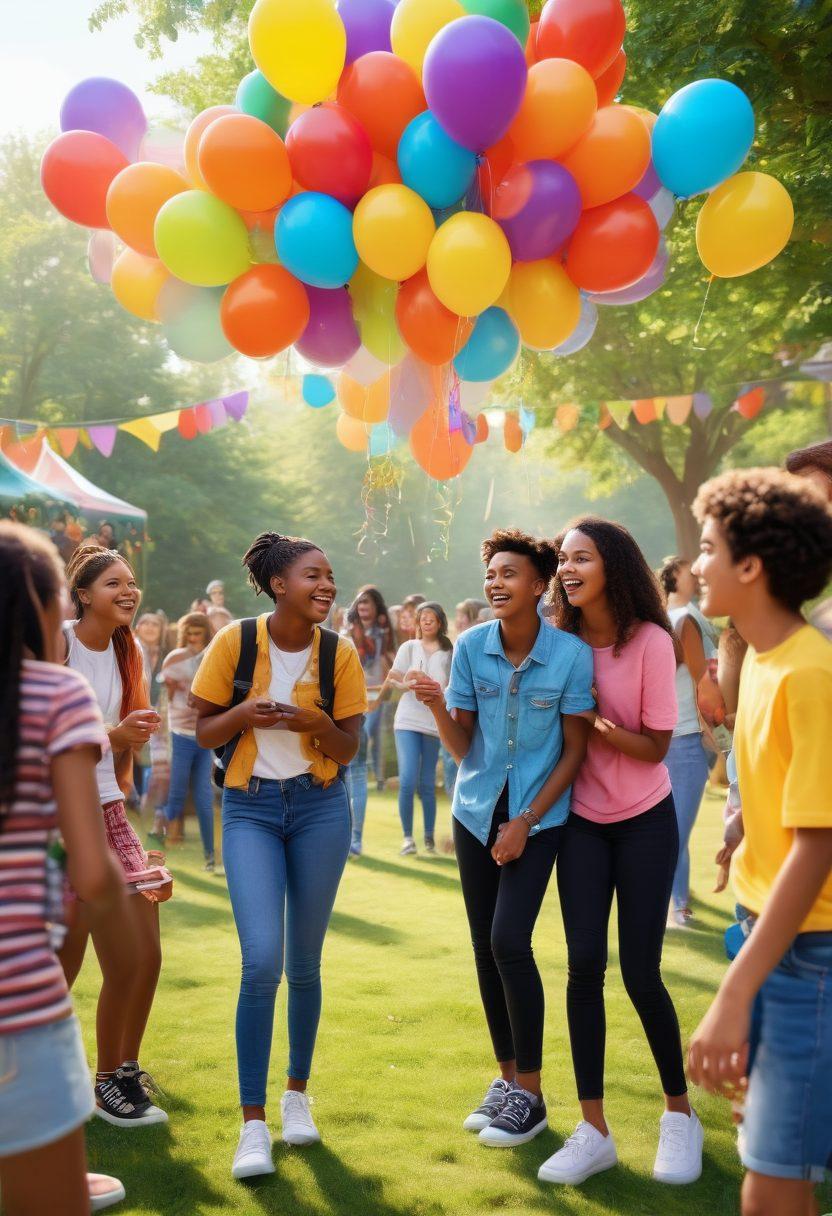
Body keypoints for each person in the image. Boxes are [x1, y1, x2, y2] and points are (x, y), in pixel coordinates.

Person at [191, 532, 367, 1180]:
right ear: (278, 585)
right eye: (313, 575)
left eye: (329, 575)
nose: (326, 585)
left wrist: (317, 726)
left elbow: (349, 749)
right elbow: (202, 731)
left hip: (321, 808)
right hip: (251, 810)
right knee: (262, 961)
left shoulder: (338, 652)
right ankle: (252, 1124)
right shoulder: (234, 641)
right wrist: (244, 712)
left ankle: (296, 1094)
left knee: (305, 963)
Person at [412, 529, 594, 1152]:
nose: (496, 583)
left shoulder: (570, 655)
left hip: (539, 817)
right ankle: (508, 1079)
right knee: (485, 948)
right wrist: (436, 706)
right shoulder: (470, 646)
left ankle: (533, 1097)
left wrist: (526, 821)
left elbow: (574, 752)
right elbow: (464, 748)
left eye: (509, 574)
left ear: (539, 584)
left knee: (509, 940)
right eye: (491, 574)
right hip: (474, 812)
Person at [539, 517, 702, 1188]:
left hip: (643, 822)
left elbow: (656, 747)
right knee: (583, 969)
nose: (567, 568)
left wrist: (597, 724)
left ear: (613, 565)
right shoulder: (558, 640)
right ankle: (594, 1130)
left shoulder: (653, 642)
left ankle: (679, 1114)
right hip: (580, 821)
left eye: (581, 557)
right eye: (563, 559)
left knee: (640, 972)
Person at [687, 468, 832, 1216]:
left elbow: (818, 846)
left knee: (771, 1190)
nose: (695, 565)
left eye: (708, 548)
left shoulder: (810, 672)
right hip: (771, 942)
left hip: (808, 960)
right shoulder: (767, 663)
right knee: (777, 1180)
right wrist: (743, 828)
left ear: (750, 566)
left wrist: (736, 992)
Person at [0, 522, 131, 1214]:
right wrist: (117, 901)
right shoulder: (57, 694)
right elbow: (92, 871)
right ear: (41, 606)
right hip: (19, 1001)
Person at [60, 545, 168, 1128]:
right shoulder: (60, 644)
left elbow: (118, 742)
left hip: (107, 806)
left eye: (131, 582)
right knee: (63, 961)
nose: (128, 591)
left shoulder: (130, 650)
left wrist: (131, 736)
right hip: (57, 813)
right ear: (83, 594)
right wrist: (113, 733)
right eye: (112, 584)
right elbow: (35, 730)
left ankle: (116, 1076)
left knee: (143, 954)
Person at [658, 557, 723, 928]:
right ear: (671, 578)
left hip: (678, 738)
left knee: (673, 832)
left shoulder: (673, 619)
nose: (697, 575)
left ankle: (678, 904)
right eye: (687, 571)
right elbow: (705, 683)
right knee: (674, 833)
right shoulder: (682, 619)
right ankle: (675, 907)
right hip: (679, 741)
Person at [385, 602, 453, 856]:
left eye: (431, 618)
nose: (427, 621)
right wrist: (408, 684)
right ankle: (407, 839)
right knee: (408, 779)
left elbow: (454, 686)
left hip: (434, 723)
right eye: (423, 617)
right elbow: (393, 678)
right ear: (418, 622)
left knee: (427, 783)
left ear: (440, 622)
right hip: (407, 721)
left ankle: (428, 839)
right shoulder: (409, 647)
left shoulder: (449, 652)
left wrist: (436, 691)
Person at [161, 613, 218, 872]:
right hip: (180, 734)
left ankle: (210, 856)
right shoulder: (175, 658)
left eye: (198, 633)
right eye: (190, 633)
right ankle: (159, 851)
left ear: (206, 633)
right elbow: (166, 697)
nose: (194, 637)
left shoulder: (212, 657)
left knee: (205, 796)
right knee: (176, 792)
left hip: (204, 734)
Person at [343, 586, 395, 851]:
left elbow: (394, 667)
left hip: (374, 699)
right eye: (360, 602)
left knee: (358, 770)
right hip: (347, 704)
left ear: (377, 607)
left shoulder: (385, 634)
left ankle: (356, 838)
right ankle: (345, 836)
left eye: (368, 602)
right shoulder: (346, 634)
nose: (363, 606)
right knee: (346, 774)